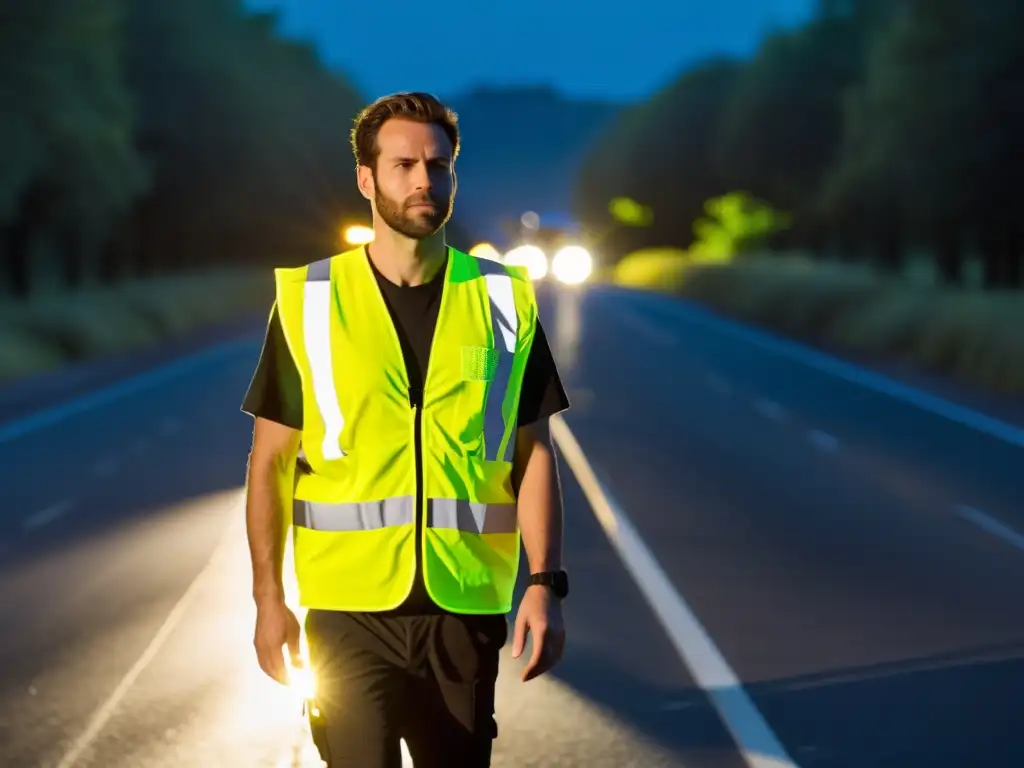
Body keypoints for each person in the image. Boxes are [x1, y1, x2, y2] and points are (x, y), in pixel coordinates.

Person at [240, 91, 571, 768]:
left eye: (438, 165)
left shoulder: (503, 299)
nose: (424, 179)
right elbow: (270, 463)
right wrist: (269, 601)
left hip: (463, 611)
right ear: (367, 179)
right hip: (347, 615)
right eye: (403, 165)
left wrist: (545, 584)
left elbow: (532, 454)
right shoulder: (310, 302)